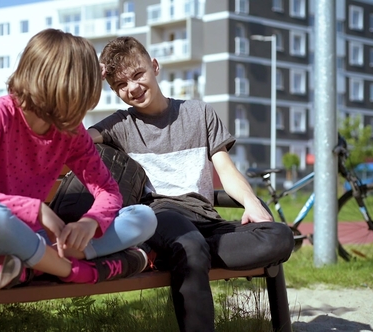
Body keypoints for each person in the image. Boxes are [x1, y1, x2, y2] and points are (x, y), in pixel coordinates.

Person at [89, 36, 294, 331]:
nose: (132, 88)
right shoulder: (118, 125)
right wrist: (88, 77)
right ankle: (183, 253)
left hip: (206, 222)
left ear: (155, 67)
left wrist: (251, 203)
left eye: (137, 75)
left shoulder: (200, 114)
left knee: (279, 236)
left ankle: (181, 257)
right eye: (120, 85)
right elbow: (74, 142)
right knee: (188, 243)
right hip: (162, 217)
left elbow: (226, 170)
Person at [0, 29, 157, 290]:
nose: (84, 107)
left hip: (35, 241)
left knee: (143, 217)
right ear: (64, 87)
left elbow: (108, 190)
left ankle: (29, 267)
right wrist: (36, 209)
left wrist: (91, 221)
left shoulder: (70, 131)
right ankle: (72, 270)